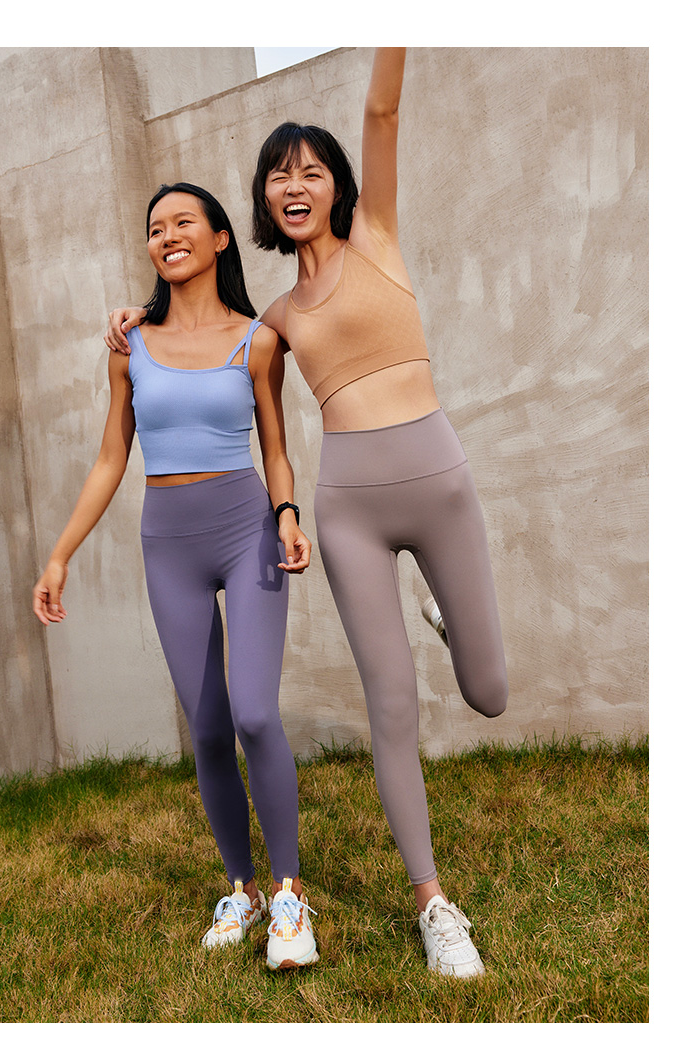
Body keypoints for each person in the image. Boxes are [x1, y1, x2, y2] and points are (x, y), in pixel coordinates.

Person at [105, 50, 508, 979]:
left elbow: (383, 111)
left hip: (440, 482)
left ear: (338, 187)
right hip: (348, 509)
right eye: (277, 175)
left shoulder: (379, 237)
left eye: (311, 170)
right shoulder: (276, 318)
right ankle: (432, 902)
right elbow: (207, 345)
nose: (295, 185)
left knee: (489, 690)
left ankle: (451, 618)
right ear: (262, 202)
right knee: (391, 704)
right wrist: (133, 317)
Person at [34, 182, 319, 971]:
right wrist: (60, 554)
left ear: (220, 237)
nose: (167, 236)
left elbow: (276, 447)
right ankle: (243, 887)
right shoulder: (131, 344)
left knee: (254, 711)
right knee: (208, 726)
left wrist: (288, 514)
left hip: (245, 530)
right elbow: (110, 457)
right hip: (168, 543)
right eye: (155, 228)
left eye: (182, 222)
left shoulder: (258, 341)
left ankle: (290, 892)